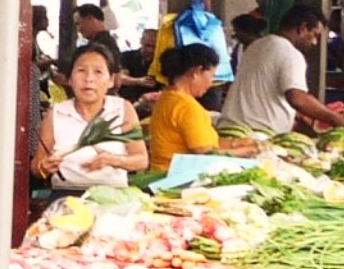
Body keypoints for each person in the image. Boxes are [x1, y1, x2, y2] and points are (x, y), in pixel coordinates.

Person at [225, 4, 344, 135]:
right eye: (315, 35)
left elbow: (264, 93)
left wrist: (299, 116)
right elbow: (297, 97)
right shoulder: (290, 53)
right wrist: (337, 119)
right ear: (303, 28)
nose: (314, 42)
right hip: (258, 134)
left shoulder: (257, 45)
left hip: (233, 129)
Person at [33, 45, 146, 190]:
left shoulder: (122, 108)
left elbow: (141, 160)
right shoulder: (56, 113)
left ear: (111, 80)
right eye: (81, 71)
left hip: (113, 195)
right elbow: (36, 169)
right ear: (69, 79)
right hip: (67, 196)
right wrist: (44, 167)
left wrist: (114, 160)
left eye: (98, 72)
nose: (89, 79)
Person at [146, 44, 258, 175]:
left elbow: (206, 144)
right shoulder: (186, 106)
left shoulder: (167, 96)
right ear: (197, 72)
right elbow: (205, 153)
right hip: (177, 176)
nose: (211, 83)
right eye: (211, 76)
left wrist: (237, 143)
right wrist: (245, 151)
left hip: (161, 172)